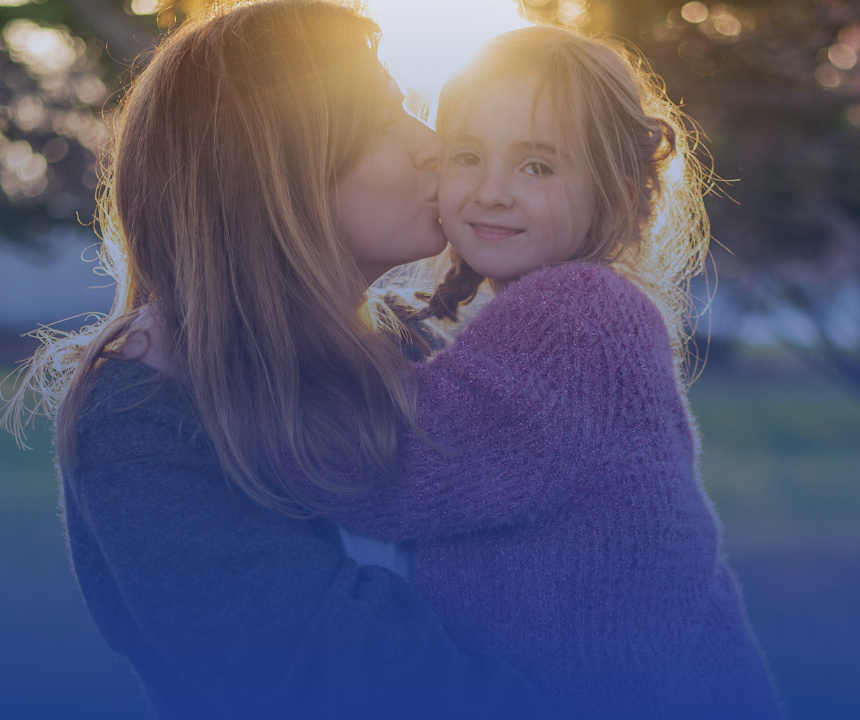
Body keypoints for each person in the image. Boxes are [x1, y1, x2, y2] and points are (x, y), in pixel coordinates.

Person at [3, 3, 565, 719]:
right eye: (385, 125)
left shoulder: (409, 347)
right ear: (275, 175)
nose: (433, 145)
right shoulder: (145, 408)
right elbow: (323, 675)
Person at [278, 26, 784, 718]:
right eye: (467, 157)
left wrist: (224, 370)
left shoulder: (578, 317)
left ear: (614, 192)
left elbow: (390, 470)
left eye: (537, 166)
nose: (492, 191)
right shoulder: (563, 312)